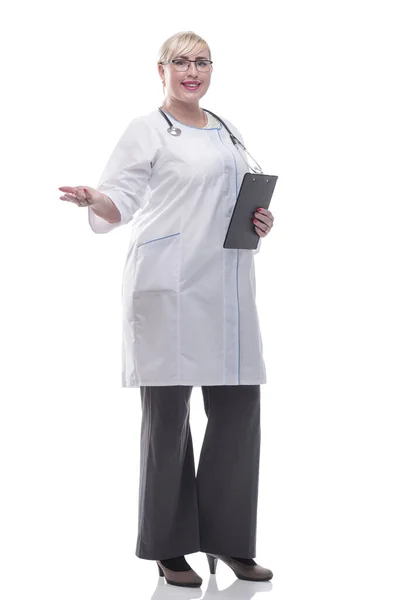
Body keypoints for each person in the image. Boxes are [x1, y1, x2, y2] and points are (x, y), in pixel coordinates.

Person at [59, 30, 275, 589]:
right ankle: (170, 546)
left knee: (238, 415)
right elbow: (120, 199)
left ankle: (230, 542)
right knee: (168, 422)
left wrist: (259, 221)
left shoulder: (227, 128)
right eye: (181, 62)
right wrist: (93, 199)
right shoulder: (147, 130)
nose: (192, 71)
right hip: (170, 290)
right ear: (161, 71)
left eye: (202, 62)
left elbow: (230, 197)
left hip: (226, 287)